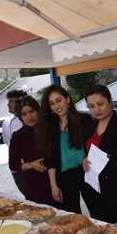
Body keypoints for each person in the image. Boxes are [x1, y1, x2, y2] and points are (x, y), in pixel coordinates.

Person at [82, 85, 117, 226]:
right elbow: (89, 150)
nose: (96, 109)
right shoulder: (92, 125)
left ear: (110, 101)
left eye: (100, 104)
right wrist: (84, 159)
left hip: (116, 193)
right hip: (94, 192)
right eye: (91, 106)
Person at [35, 84, 92, 214]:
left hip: (87, 172)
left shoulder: (85, 119)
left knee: (98, 213)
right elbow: (52, 160)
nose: (57, 106)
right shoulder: (49, 128)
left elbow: (93, 146)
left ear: (67, 99)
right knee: (72, 217)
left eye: (59, 100)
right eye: (52, 103)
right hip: (65, 178)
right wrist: (54, 186)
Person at [8, 96, 53, 205]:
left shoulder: (51, 129)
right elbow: (13, 165)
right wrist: (31, 165)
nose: (29, 117)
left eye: (32, 111)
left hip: (60, 184)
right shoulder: (18, 136)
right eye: (24, 114)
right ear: (20, 117)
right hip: (36, 187)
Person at [2, 89, 28, 195]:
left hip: (31, 166)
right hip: (16, 168)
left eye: (11, 101)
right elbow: (7, 142)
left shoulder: (30, 119)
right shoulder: (6, 123)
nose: (8, 104)